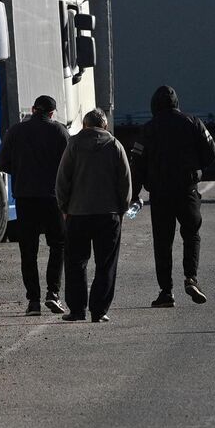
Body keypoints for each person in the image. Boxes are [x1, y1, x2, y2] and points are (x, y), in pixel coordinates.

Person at [129, 85, 215, 307]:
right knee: (191, 234)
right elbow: (212, 152)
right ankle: (191, 277)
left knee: (163, 242)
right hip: (187, 190)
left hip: (160, 194)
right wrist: (197, 169)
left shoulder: (148, 129)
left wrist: (133, 194)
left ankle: (166, 292)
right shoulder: (193, 122)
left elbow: (137, 164)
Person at [55, 109, 131, 323]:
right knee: (106, 263)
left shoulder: (74, 144)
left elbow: (63, 178)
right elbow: (124, 180)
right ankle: (99, 310)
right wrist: (122, 208)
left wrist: (64, 207)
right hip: (108, 214)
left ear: (85, 125)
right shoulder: (115, 145)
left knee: (75, 262)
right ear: (105, 126)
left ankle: (77, 310)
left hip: (78, 213)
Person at [0, 95, 70, 315]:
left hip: (25, 198)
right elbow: (70, 163)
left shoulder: (16, 131)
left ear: (33, 110)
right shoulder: (59, 132)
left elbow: (2, 162)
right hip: (52, 198)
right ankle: (53, 293)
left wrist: (19, 173)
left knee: (28, 251)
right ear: (52, 113)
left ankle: (33, 301)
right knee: (58, 245)